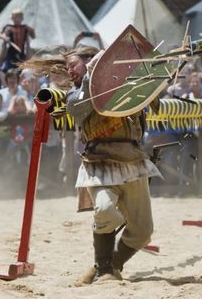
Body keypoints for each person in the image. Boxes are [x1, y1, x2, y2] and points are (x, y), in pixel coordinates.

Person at [64, 46, 162, 283]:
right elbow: (78, 109)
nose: (69, 72)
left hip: (132, 160)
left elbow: (153, 96)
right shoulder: (76, 95)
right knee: (106, 211)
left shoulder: (127, 87)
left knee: (142, 232)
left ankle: (110, 266)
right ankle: (105, 269)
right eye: (67, 67)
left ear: (90, 61)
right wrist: (91, 75)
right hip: (100, 162)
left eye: (72, 65)